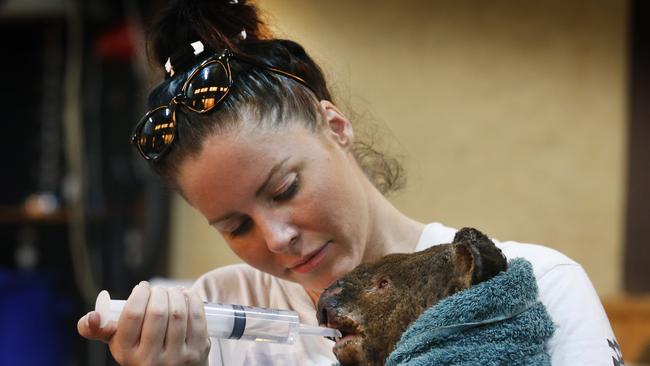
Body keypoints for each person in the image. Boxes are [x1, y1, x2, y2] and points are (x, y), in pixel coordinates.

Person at [78, 1, 621, 365]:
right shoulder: (216, 315)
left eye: (285, 189)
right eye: (236, 225)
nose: (276, 239)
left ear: (335, 127)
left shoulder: (531, 286)